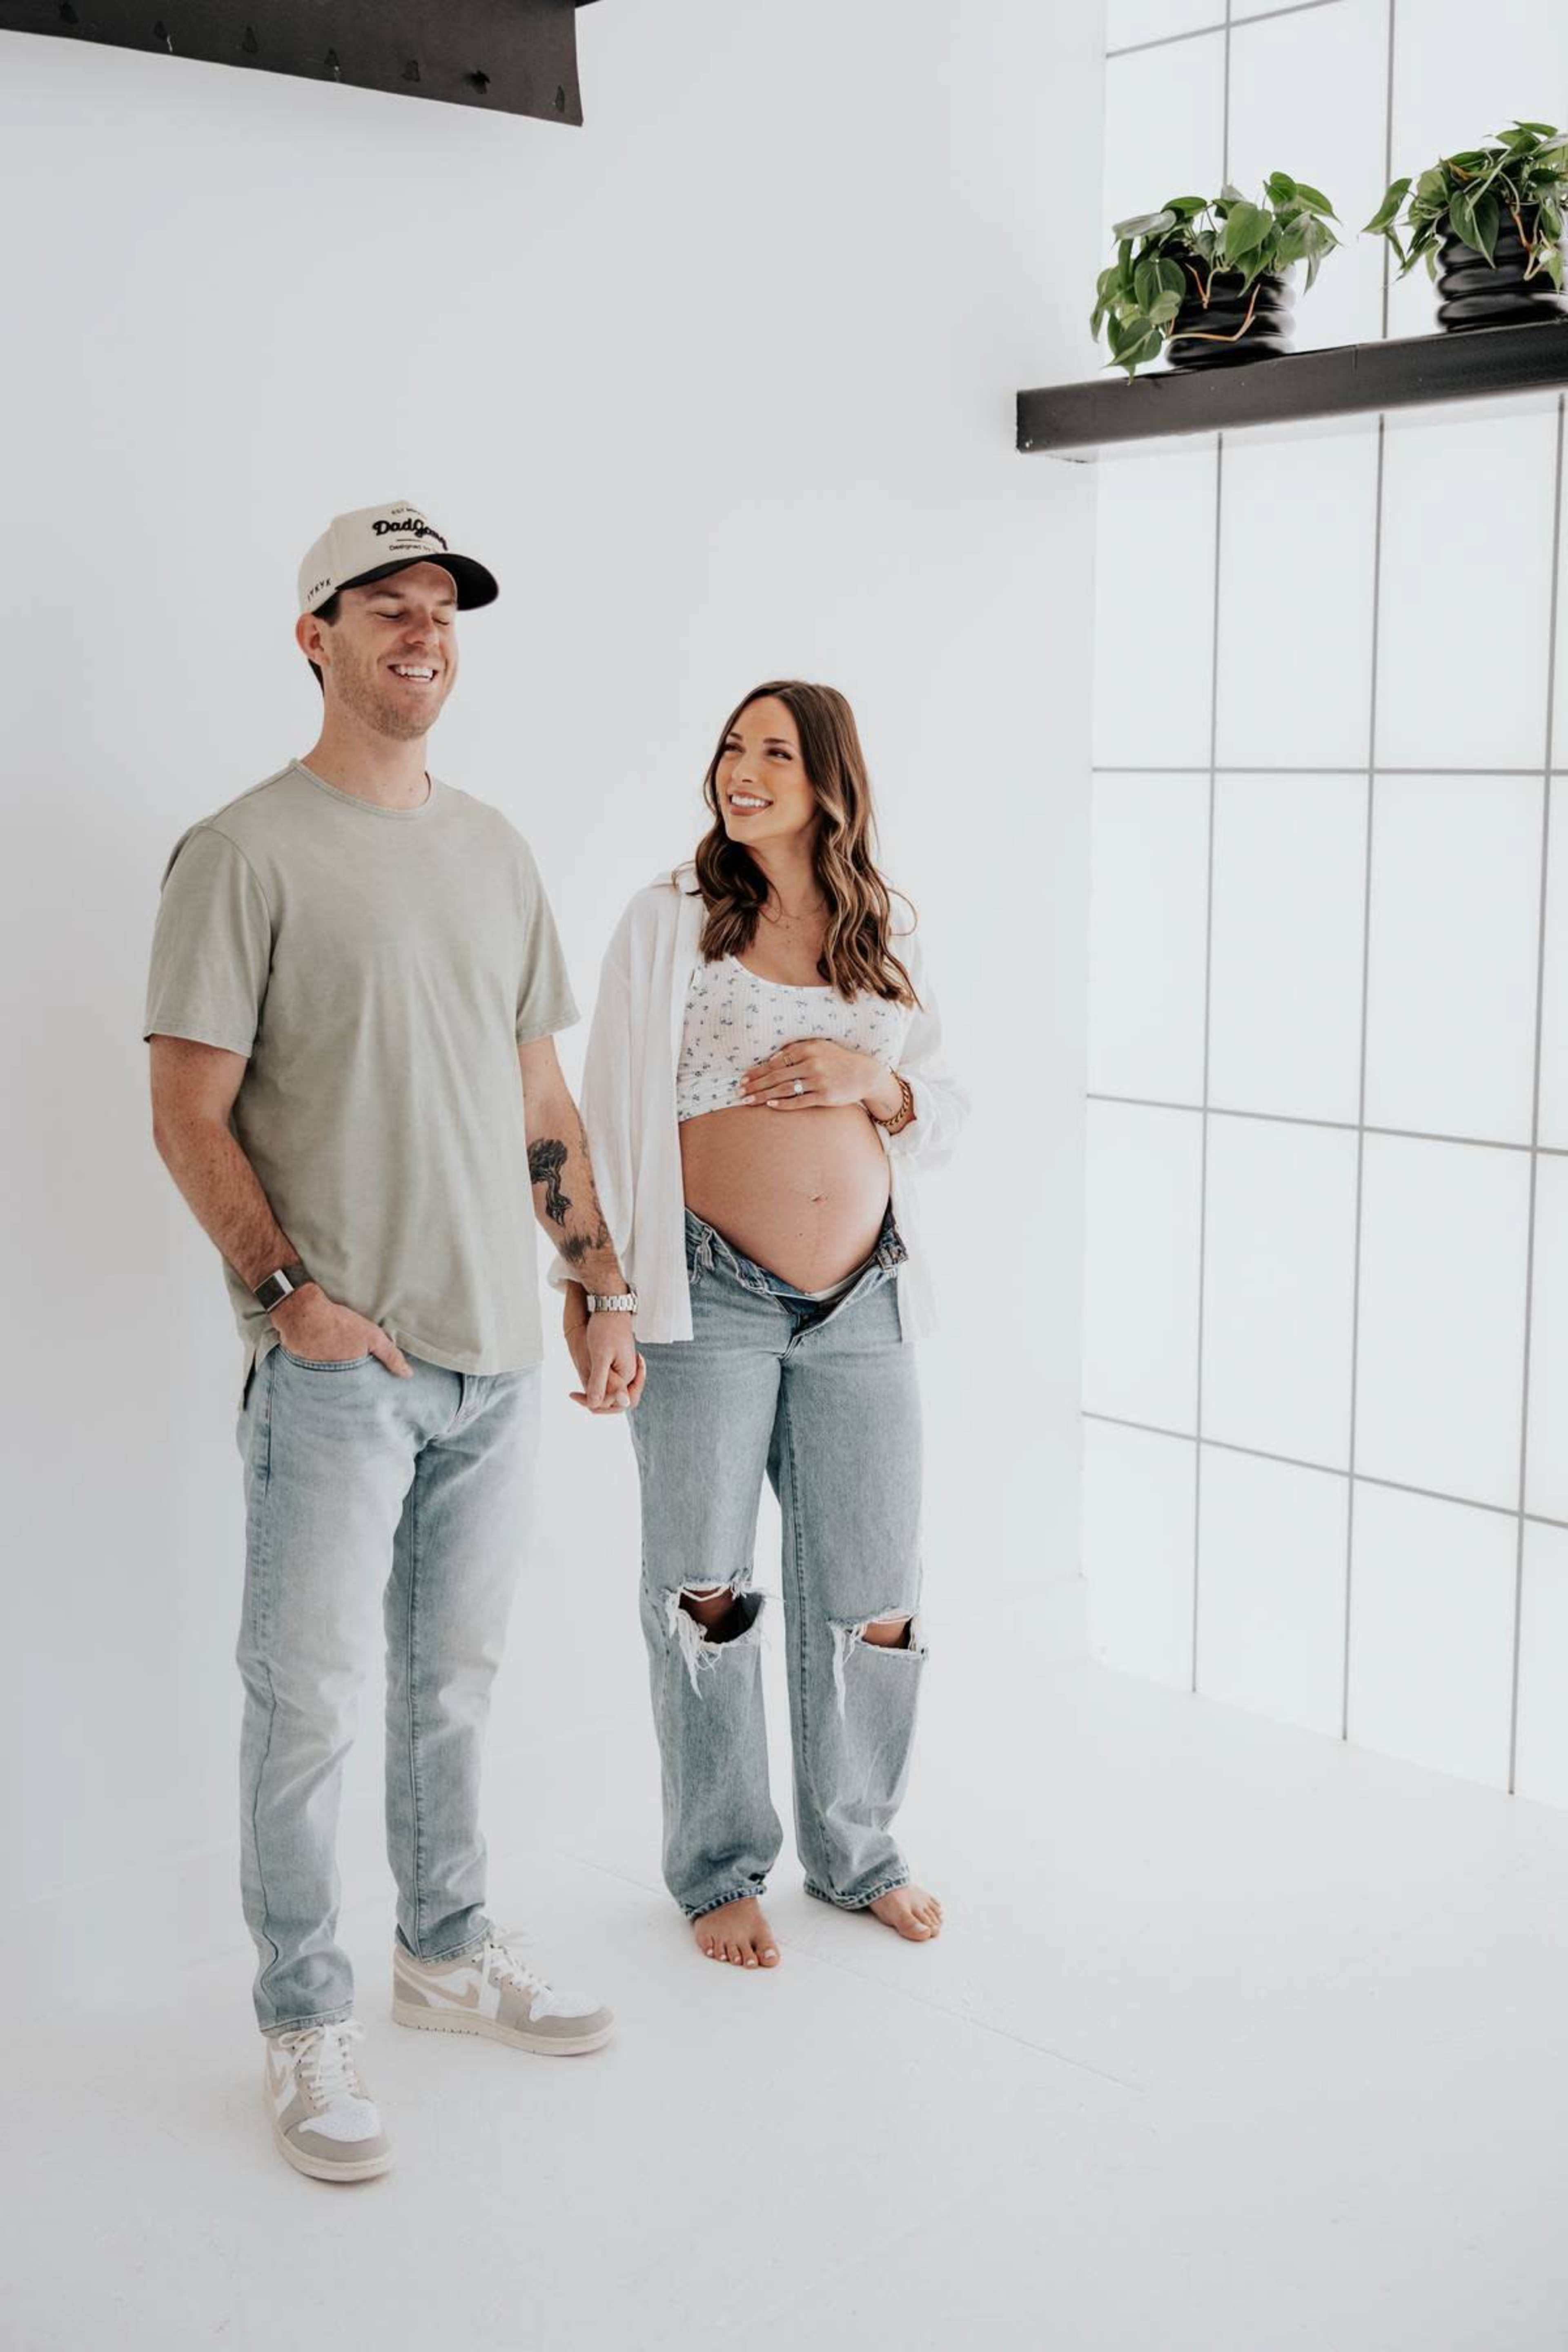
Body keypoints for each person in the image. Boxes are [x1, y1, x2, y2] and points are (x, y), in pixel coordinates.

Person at [143, 500, 641, 2182]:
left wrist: (597, 1280)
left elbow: (537, 1090)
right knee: (308, 1704)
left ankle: (447, 1950)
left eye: (444, 610)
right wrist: (293, 1299)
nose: (424, 633)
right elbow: (185, 1109)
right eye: (388, 607)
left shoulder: (494, 848)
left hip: (499, 1356)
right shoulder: (241, 852)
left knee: (454, 1688)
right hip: (341, 1371)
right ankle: (302, 2018)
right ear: (316, 638)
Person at [551, 680, 969, 1971]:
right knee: (705, 1591)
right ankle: (721, 1866)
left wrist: (877, 1080)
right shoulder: (668, 920)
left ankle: (858, 1853)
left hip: (864, 1300)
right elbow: (607, 1108)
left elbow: (943, 1107)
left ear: (829, 779)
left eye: (776, 752)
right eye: (734, 748)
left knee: (878, 1595)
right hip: (707, 1294)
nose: (743, 770)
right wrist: (600, 1293)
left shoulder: (879, 927)